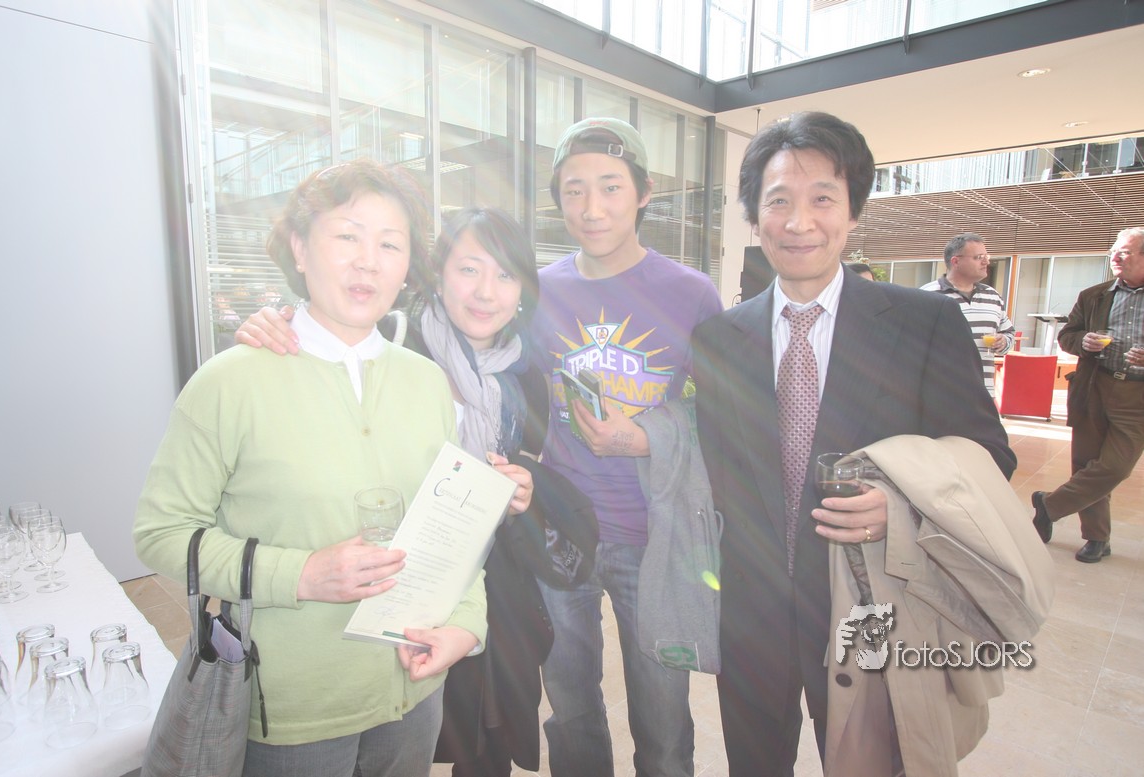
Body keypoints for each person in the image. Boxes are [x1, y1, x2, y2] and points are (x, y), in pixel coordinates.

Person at [134, 160, 502, 777]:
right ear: (300, 249)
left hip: (413, 695)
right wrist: (301, 574)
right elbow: (162, 533)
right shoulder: (231, 382)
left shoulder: (427, 382)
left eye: (391, 244)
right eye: (347, 236)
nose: (368, 262)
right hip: (292, 710)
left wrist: (466, 624)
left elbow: (451, 525)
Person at [691, 111, 1016, 775]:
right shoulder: (719, 338)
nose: (798, 222)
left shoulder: (923, 323)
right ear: (754, 216)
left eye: (822, 199)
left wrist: (904, 504)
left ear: (853, 211)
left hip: (875, 608)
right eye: (778, 201)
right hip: (751, 616)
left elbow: (989, 456)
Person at [233, 207, 584, 777]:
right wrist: (274, 322)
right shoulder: (388, 343)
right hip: (389, 577)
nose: (486, 292)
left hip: (490, 584)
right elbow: (321, 344)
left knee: (487, 732)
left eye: (505, 275)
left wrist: (521, 489)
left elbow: (521, 469)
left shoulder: (526, 376)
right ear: (437, 274)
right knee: (396, 723)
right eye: (469, 269)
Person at [532, 117, 723, 777]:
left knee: (663, 721)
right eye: (574, 190)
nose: (592, 208)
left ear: (644, 193)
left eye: (610, 187)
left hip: (655, 536)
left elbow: (726, 416)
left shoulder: (691, 293)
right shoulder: (538, 289)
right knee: (570, 708)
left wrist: (647, 436)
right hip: (561, 530)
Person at [1031, 227, 1144, 563]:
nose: (1116, 256)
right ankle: (1097, 537)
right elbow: (1067, 335)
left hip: (1137, 396)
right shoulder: (1093, 295)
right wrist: (1083, 341)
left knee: (1115, 467)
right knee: (1085, 463)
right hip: (1094, 386)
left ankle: (1049, 505)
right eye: (1114, 251)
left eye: (1125, 251)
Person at [920, 232, 1015, 396]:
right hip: (940, 393)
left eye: (986, 256)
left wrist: (1003, 341)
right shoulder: (927, 295)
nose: (986, 262)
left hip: (983, 393)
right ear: (955, 261)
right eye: (978, 257)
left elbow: (1009, 333)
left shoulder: (993, 296)